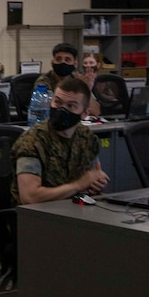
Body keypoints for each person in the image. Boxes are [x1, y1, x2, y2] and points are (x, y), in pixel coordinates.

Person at [11, 77, 109, 205]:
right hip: (36, 218)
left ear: (85, 113)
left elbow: (92, 177)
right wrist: (78, 185)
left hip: (75, 212)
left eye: (71, 106)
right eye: (57, 102)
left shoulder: (87, 138)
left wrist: (96, 183)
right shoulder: (33, 140)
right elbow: (30, 197)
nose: (62, 109)